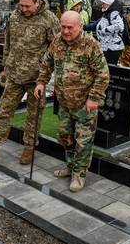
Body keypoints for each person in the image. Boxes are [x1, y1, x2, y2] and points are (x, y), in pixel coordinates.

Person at [0, 0, 60, 164]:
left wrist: (46, 75)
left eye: (27, 6)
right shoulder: (15, 16)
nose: (24, 9)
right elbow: (8, 43)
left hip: (36, 79)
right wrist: (5, 67)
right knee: (4, 111)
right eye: (21, 5)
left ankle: (29, 148)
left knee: (33, 115)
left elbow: (57, 48)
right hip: (14, 75)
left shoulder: (49, 20)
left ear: (36, 2)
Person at [34, 11, 109, 192]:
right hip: (64, 102)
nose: (66, 31)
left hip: (85, 104)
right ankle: (70, 166)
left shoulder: (91, 45)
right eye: (63, 26)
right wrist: (41, 82)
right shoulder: (57, 41)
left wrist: (93, 98)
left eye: (70, 27)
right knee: (65, 137)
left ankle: (79, 174)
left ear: (80, 26)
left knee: (83, 142)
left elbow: (103, 74)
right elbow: (47, 63)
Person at [84, 0, 124, 65]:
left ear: (109, 4)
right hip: (106, 47)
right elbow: (95, 25)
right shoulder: (106, 13)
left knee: (110, 69)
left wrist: (104, 30)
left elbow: (119, 26)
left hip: (113, 48)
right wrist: (83, 27)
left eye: (103, 3)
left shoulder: (113, 13)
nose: (102, 5)